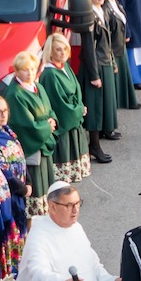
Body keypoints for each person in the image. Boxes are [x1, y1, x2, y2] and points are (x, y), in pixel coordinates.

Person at [4, 52, 59, 215]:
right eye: (25, 70)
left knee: (46, 182)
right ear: (16, 71)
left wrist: (52, 120)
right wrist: (47, 127)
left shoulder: (37, 86)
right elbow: (25, 125)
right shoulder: (15, 94)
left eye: (33, 68)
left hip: (44, 140)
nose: (30, 73)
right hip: (33, 147)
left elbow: (49, 109)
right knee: (36, 185)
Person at [38, 34, 91, 184]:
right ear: (50, 52)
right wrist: (79, 110)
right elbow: (60, 105)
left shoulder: (64, 66)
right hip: (64, 126)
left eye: (65, 49)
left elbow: (76, 90)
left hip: (74, 119)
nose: (63, 53)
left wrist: (80, 105)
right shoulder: (49, 74)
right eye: (58, 50)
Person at [0, 95, 32, 244]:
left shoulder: (5, 130)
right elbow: (1, 171)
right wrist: (22, 189)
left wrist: (28, 181)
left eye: (5, 110)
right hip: (7, 196)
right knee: (11, 239)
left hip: (18, 190)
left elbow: (19, 156)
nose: (3, 115)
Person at [83, 0, 120, 163]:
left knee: (104, 103)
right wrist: (94, 75)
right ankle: (94, 146)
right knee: (95, 108)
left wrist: (112, 61)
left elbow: (108, 41)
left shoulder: (102, 10)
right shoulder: (90, 15)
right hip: (96, 65)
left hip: (104, 61)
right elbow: (89, 47)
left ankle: (102, 137)